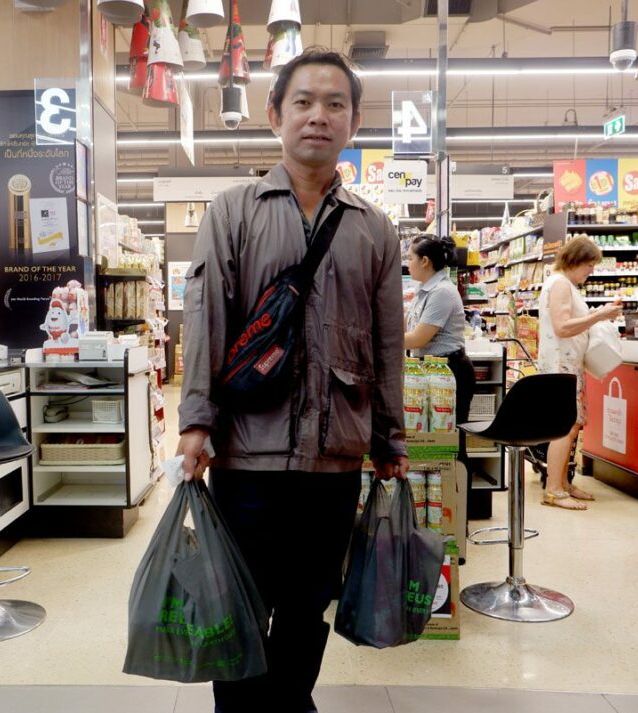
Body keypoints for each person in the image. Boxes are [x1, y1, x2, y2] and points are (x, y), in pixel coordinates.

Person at [176, 49, 407, 713]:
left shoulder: (375, 229)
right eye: (304, 101)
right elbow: (206, 317)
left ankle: (288, 704)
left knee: (309, 608)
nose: (319, 115)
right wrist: (196, 421)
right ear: (274, 113)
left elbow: (388, 341)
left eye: (336, 103)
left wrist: (389, 436)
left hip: (335, 458)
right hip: (247, 453)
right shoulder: (234, 210)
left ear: (354, 122)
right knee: (242, 605)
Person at [537, 237, 622, 511]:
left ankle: (563, 483)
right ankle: (553, 490)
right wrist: (599, 316)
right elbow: (562, 327)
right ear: (575, 260)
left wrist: (596, 315)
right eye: (589, 264)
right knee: (563, 427)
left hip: (567, 364)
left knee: (571, 426)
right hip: (561, 366)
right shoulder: (560, 283)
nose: (591, 271)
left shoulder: (564, 284)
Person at [404, 234, 476, 422]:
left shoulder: (441, 292)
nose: (407, 263)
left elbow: (418, 338)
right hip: (432, 369)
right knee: (434, 439)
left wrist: (379, 340)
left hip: (449, 371)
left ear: (425, 261)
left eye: (410, 258)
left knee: (448, 439)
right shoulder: (424, 290)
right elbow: (407, 327)